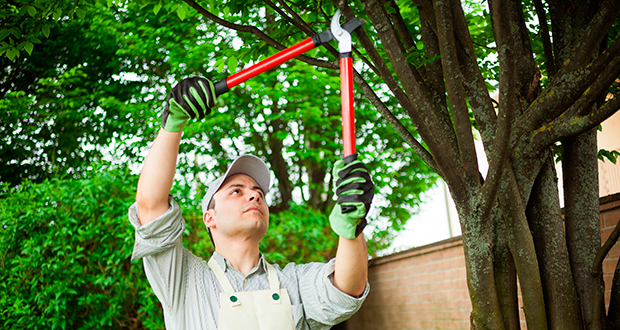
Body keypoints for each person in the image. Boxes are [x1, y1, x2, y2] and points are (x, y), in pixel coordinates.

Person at [128, 77, 375, 330]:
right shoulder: (184, 279)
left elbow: (348, 289)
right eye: (237, 191)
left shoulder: (294, 281)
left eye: (259, 192)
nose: (254, 195)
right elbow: (151, 206)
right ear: (209, 217)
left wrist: (351, 228)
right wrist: (173, 123)